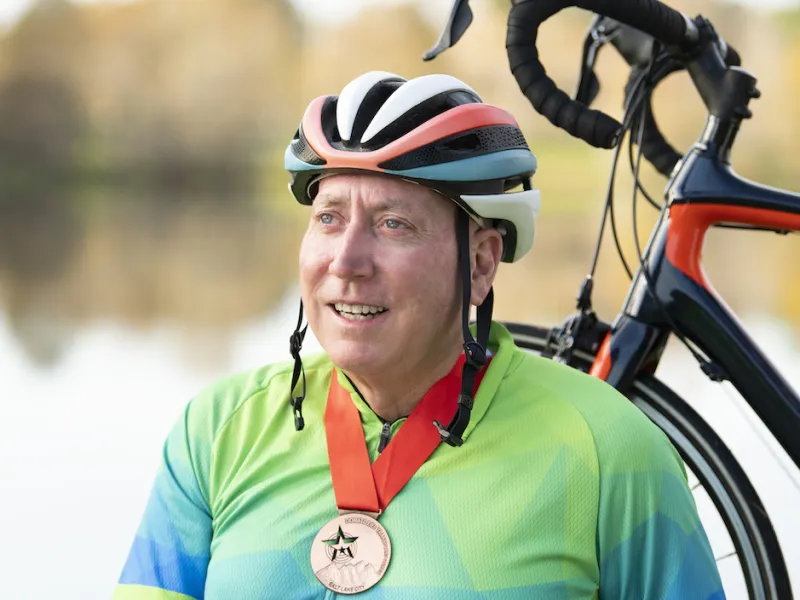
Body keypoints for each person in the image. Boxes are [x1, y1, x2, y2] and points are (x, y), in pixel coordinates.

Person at [113, 71, 725, 599]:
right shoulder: (216, 430)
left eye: (394, 223)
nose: (347, 261)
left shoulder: (610, 448)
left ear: (481, 263)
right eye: (328, 218)